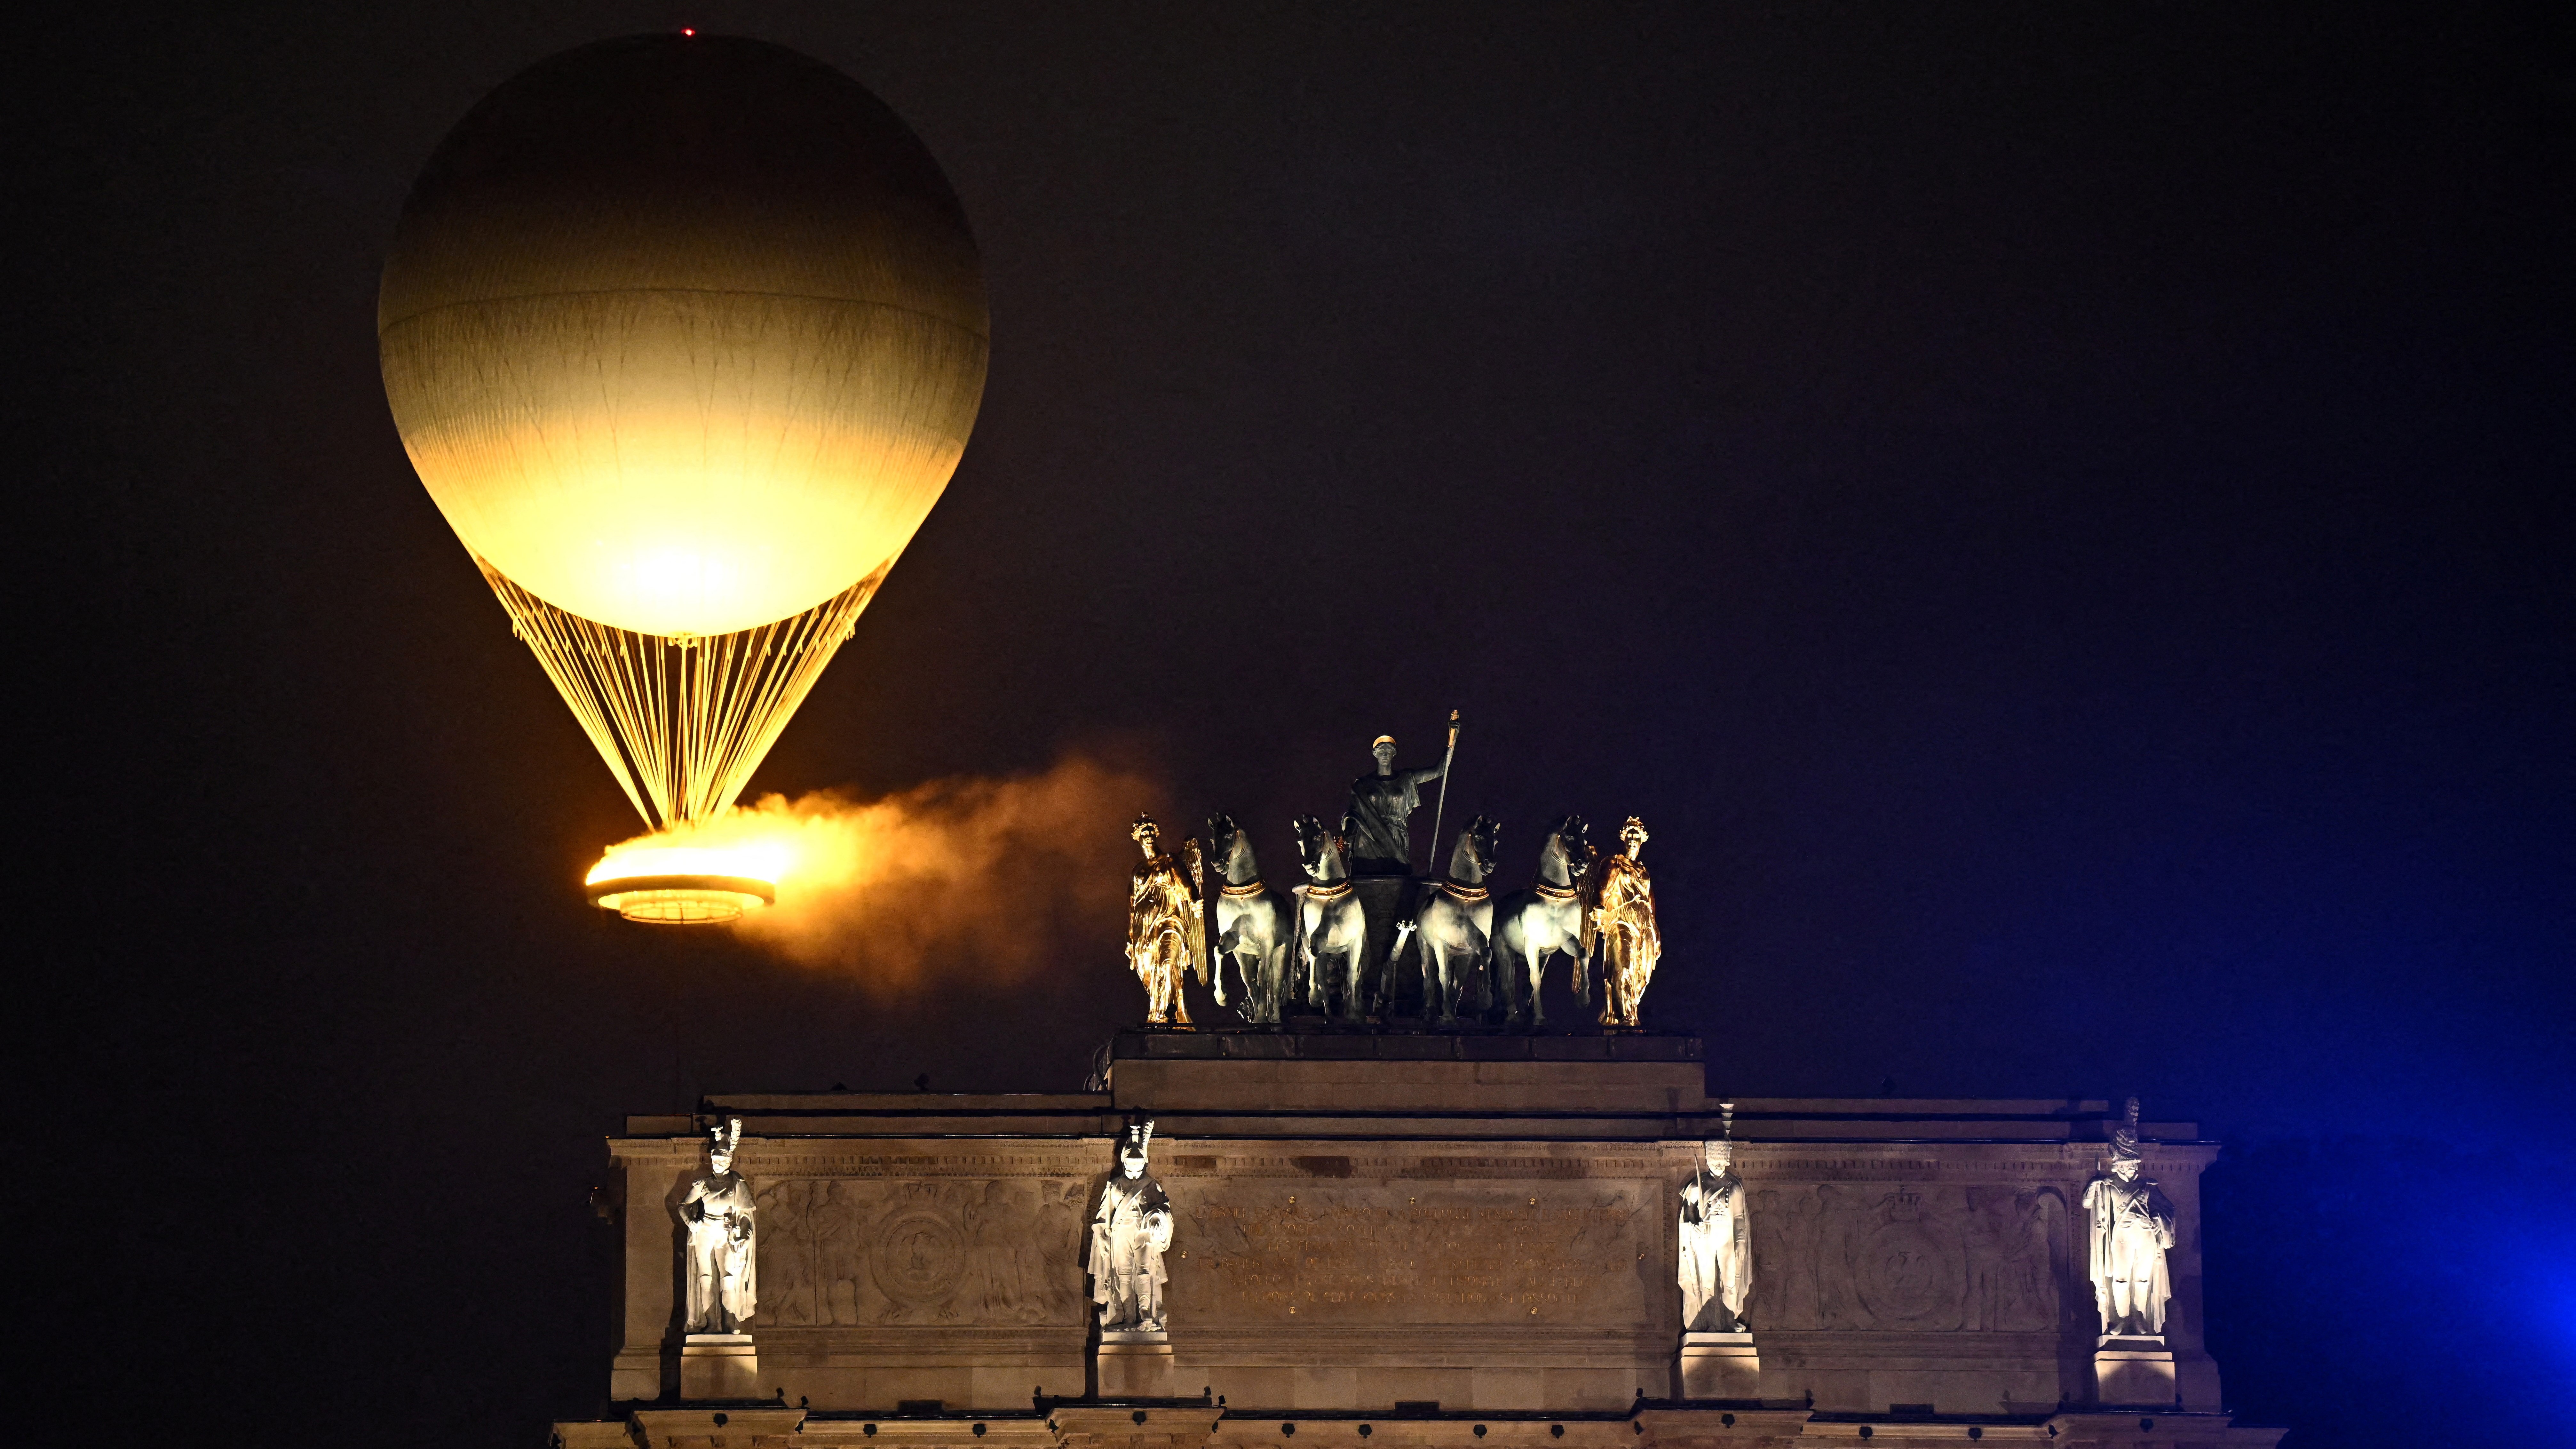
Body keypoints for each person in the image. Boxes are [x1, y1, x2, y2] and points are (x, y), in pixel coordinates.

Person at [2081, 1098, 2178, 1336]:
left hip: (2145, 1236)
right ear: (2117, 1165)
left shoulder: (2148, 1185)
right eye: (2127, 1166)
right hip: (2121, 1236)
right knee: (2122, 1279)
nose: (2131, 1170)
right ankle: (2122, 1319)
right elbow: (2086, 1203)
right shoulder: (2107, 1184)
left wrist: (2158, 1221)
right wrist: (2093, 1183)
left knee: (2143, 1279)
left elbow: (2167, 1209)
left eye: (2134, 1165)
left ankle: (2139, 1317)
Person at [1090, 1119, 1175, 1332]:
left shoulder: (1151, 1184)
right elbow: (1102, 1216)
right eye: (1130, 1164)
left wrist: (1158, 1216)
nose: (1134, 1169)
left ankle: (1145, 1313)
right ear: (1124, 1162)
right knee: (1124, 1274)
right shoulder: (1114, 1185)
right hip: (1120, 1233)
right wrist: (1101, 1238)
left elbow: (1164, 1206)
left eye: (1138, 1165)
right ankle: (1128, 1316)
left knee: (1145, 1271)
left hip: (1144, 1231)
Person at [680, 1117, 757, 1333]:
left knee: (729, 1278)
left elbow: (745, 1214)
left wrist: (741, 1232)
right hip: (705, 1230)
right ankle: (712, 1324)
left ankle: (730, 1322)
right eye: (715, 1161)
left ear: (729, 1162)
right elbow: (682, 1205)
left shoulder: (737, 1182)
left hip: (726, 1233)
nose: (718, 1164)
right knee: (706, 1278)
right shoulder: (703, 1184)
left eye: (722, 1161)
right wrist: (691, 1222)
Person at [1125, 816, 1204, 1025]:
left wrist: (1194, 900)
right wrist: (1130, 939)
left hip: (1169, 921)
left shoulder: (1170, 860)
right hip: (1144, 929)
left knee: (1168, 963)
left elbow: (1186, 882)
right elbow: (1132, 907)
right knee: (1147, 971)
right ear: (1137, 837)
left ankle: (1164, 1013)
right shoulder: (1137, 871)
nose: (1148, 835)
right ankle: (1162, 1009)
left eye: (1151, 831)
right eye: (1144, 832)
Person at [1590, 816, 1663, 1025]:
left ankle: (1623, 1007)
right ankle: (1626, 1017)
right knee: (1623, 965)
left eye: (1636, 836)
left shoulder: (1643, 870)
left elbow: (1650, 901)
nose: (1632, 839)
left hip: (1644, 923)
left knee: (1643, 973)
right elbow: (1601, 888)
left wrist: (1655, 930)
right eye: (1629, 834)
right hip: (1621, 919)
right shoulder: (1614, 862)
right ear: (1624, 837)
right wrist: (1599, 907)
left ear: (1642, 840)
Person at [1678, 1133, 1751, 1332]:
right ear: (1708, 1160)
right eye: (1714, 1162)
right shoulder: (1695, 1187)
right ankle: (1709, 1323)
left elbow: (1739, 1218)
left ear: (1727, 1161)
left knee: (1730, 1284)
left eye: (1721, 1162)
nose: (1718, 1166)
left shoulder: (1734, 1187)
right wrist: (1694, 1227)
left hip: (1727, 1241)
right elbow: (1687, 1218)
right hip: (1705, 1242)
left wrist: (1742, 1243)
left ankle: (1728, 1322)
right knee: (1707, 1285)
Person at [1342, 735, 1447, 874]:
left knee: (1397, 879)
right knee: (1365, 881)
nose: (1385, 754)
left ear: (1394, 754)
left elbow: (1439, 771)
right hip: (1368, 838)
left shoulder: (1406, 779)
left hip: (1396, 836)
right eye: (1381, 751)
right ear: (1375, 754)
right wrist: (1348, 832)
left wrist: (1451, 742)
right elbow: (1354, 812)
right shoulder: (1363, 784)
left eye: (1388, 750)